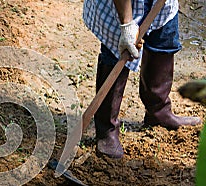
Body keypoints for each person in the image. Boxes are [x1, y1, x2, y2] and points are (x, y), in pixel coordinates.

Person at [83, 0, 202, 159]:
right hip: (120, 7)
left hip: (162, 5)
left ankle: (159, 112)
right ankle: (106, 129)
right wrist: (126, 24)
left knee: (164, 44)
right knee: (115, 55)